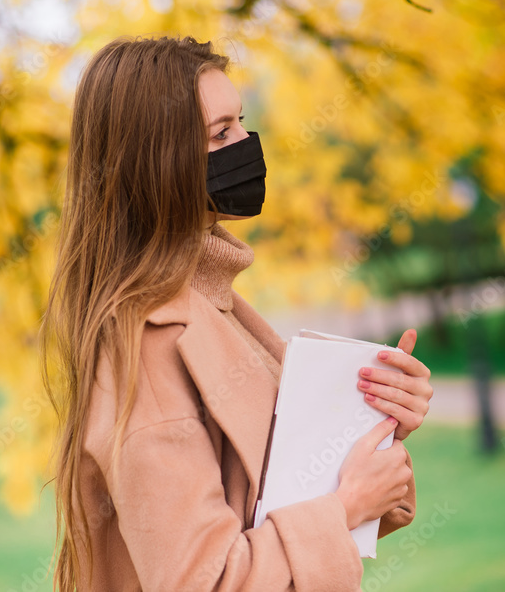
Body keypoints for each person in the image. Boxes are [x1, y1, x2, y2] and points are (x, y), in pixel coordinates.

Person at [40, 35, 434, 592]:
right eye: (221, 133)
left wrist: (375, 423)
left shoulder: (211, 304)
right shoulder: (149, 342)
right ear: (157, 164)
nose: (248, 145)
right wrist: (346, 506)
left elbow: (266, 499)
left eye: (241, 123)